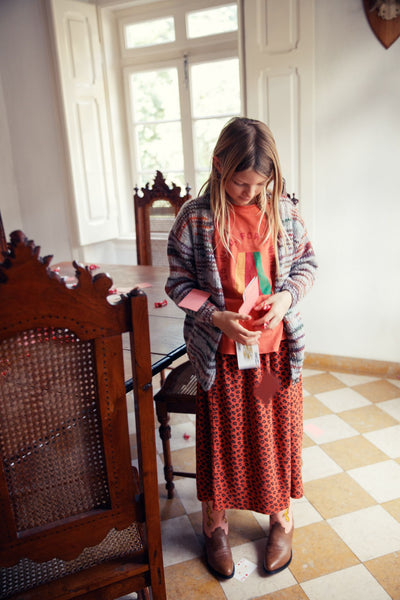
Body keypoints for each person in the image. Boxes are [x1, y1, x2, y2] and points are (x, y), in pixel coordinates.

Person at [165, 117, 317, 579]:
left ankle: (280, 520)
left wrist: (287, 297)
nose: (250, 193)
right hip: (222, 360)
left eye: (259, 185)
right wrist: (216, 317)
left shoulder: (285, 213)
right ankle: (215, 526)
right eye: (240, 182)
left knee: (272, 432)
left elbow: (307, 264)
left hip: (274, 356)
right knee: (224, 440)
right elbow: (179, 285)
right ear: (218, 165)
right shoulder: (195, 218)